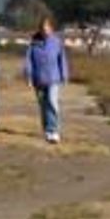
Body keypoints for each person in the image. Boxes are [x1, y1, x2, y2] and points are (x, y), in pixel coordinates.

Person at [23, 16, 69, 144]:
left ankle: (54, 130)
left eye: (47, 28)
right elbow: (28, 61)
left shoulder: (56, 42)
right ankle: (47, 130)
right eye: (43, 28)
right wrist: (28, 78)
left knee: (52, 102)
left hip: (53, 78)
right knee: (43, 106)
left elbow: (62, 59)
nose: (45, 30)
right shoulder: (33, 43)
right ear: (40, 29)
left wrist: (64, 75)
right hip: (38, 79)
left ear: (51, 28)